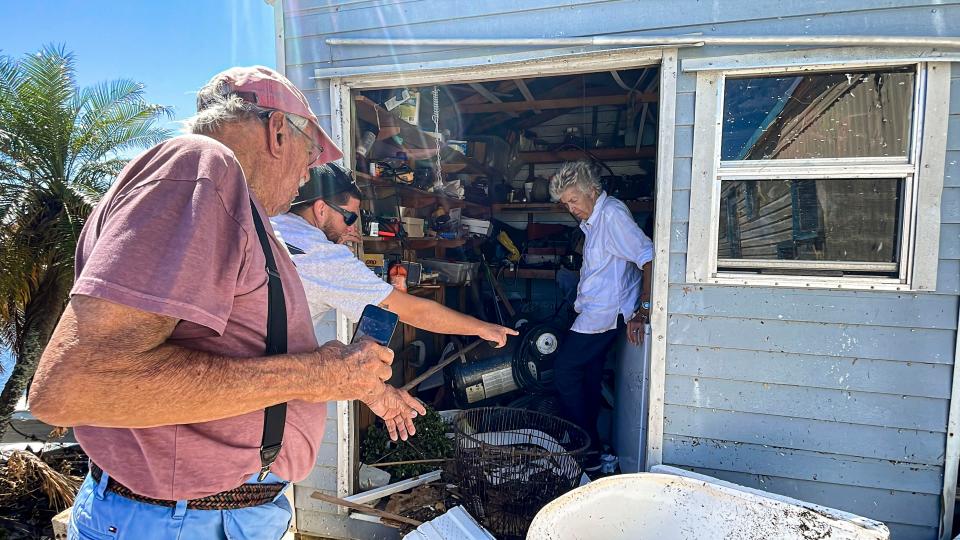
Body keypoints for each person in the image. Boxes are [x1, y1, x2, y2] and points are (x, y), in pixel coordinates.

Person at [28, 66, 425, 540]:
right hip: (177, 522)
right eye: (312, 151)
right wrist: (316, 374)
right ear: (278, 130)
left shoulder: (230, 202)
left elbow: (239, 349)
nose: (308, 172)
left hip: (208, 517)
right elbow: (73, 388)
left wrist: (362, 385)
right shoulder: (200, 166)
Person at [271, 164, 517, 349]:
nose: (352, 227)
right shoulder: (323, 256)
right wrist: (483, 328)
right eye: (349, 217)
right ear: (321, 208)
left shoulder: (275, 223)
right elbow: (415, 312)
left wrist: (334, 238)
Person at [549, 160, 654, 471]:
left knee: (565, 372)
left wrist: (643, 308)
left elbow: (647, 256)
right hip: (595, 311)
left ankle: (587, 449)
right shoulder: (595, 219)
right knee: (589, 380)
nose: (570, 208)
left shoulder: (611, 215)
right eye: (565, 203)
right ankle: (593, 452)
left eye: (574, 200)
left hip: (603, 315)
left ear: (592, 191)